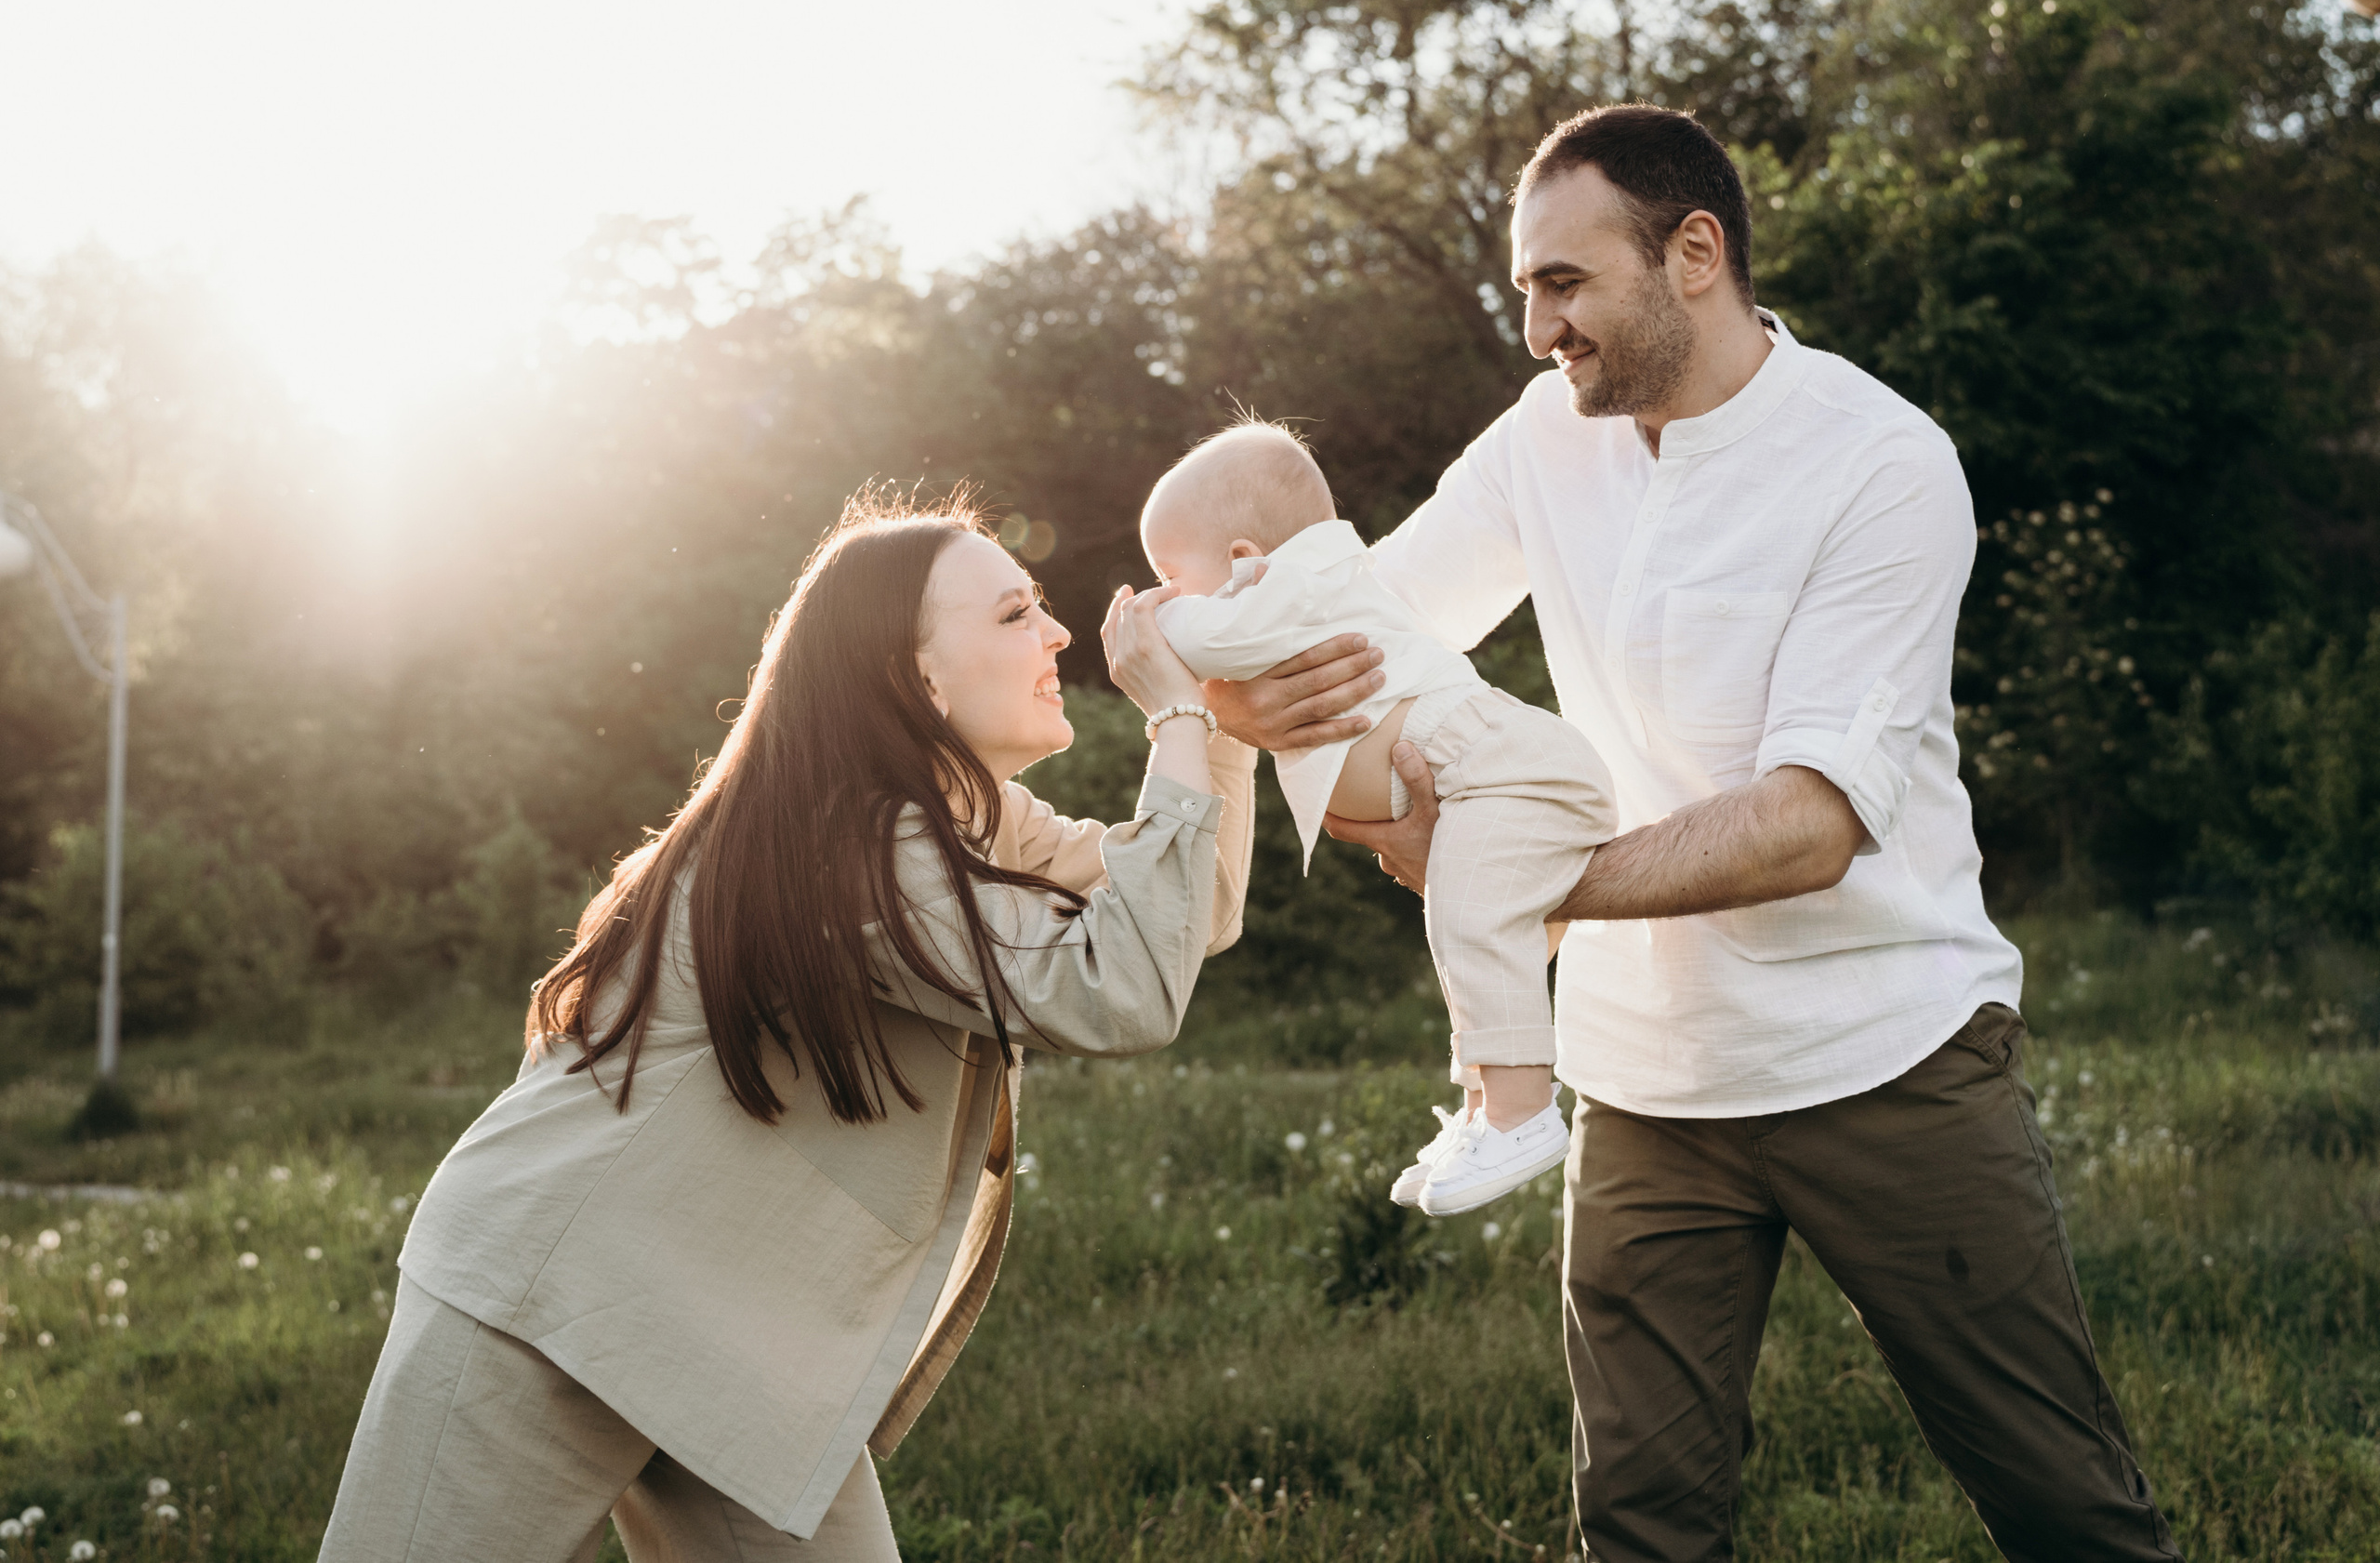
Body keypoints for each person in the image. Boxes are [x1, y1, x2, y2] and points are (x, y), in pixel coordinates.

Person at [1208, 105, 2183, 1561]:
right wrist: (1235, 672)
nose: (1537, 327)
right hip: (1648, 1080)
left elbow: (1809, 826)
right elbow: (1374, 632)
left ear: (1696, 254)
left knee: (2060, 1499)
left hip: (1887, 1053)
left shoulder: (1883, 463)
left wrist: (1513, 875)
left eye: (1563, 283)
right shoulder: (1549, 435)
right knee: (1641, 1522)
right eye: (1525, 289)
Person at [317, 492, 1256, 1562]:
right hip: (553, 1297)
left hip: (725, 1338)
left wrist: (1216, 719)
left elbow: (1184, 916)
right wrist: (1176, 718)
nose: (1055, 634)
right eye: (1013, 614)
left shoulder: (963, 818)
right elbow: (1118, 991)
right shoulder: (850, 844)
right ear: (915, 678)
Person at [1141, 417, 1619, 1214]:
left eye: (1166, 572)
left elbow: (1203, 638)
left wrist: (1145, 626)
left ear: (1241, 558)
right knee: (1464, 934)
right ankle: (1482, 1112)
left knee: (1466, 919)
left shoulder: (1282, 589)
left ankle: (1523, 1113)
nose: (1161, 591)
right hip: (1483, 767)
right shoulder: (1309, 590)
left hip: (1494, 760)